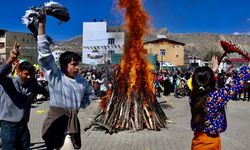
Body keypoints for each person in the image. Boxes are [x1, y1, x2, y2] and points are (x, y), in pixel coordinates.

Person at [37, 17, 94, 149]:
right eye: (73, 64)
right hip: (55, 123)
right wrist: (41, 26)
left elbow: (90, 94)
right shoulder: (56, 77)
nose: (77, 67)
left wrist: (79, 106)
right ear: (63, 65)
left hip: (71, 125)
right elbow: (45, 56)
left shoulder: (81, 80)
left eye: (77, 64)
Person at [190, 56, 250, 150]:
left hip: (198, 140)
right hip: (209, 143)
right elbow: (236, 84)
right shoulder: (215, 97)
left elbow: (198, 82)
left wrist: (213, 69)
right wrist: (248, 67)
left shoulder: (194, 96)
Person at [0, 42, 48, 149]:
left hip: (23, 127)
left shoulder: (32, 84)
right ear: (19, 72)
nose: (29, 77)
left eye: (31, 74)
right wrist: (11, 59)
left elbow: (46, 91)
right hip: (8, 126)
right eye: (26, 74)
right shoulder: (9, 82)